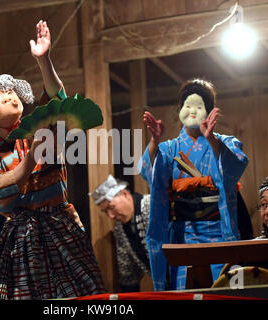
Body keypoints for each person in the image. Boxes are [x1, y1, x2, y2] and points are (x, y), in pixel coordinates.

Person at [0, 20, 105, 299]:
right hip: (21, 238)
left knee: (83, 296)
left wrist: (44, 60)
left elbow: (59, 100)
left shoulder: (39, 126)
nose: (8, 95)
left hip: (62, 226)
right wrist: (31, 157)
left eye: (9, 90)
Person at [140, 78, 249, 290]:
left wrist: (213, 141)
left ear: (208, 111)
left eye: (199, 106)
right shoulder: (169, 148)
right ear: (180, 110)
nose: (192, 111)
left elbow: (235, 167)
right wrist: (154, 142)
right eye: (187, 106)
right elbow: (148, 173)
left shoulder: (226, 142)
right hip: (184, 239)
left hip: (221, 237)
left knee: (225, 292)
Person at [90, 175, 150, 292]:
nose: (110, 216)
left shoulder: (150, 204)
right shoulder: (120, 228)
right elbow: (127, 270)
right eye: (105, 211)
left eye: (111, 207)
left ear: (124, 194)